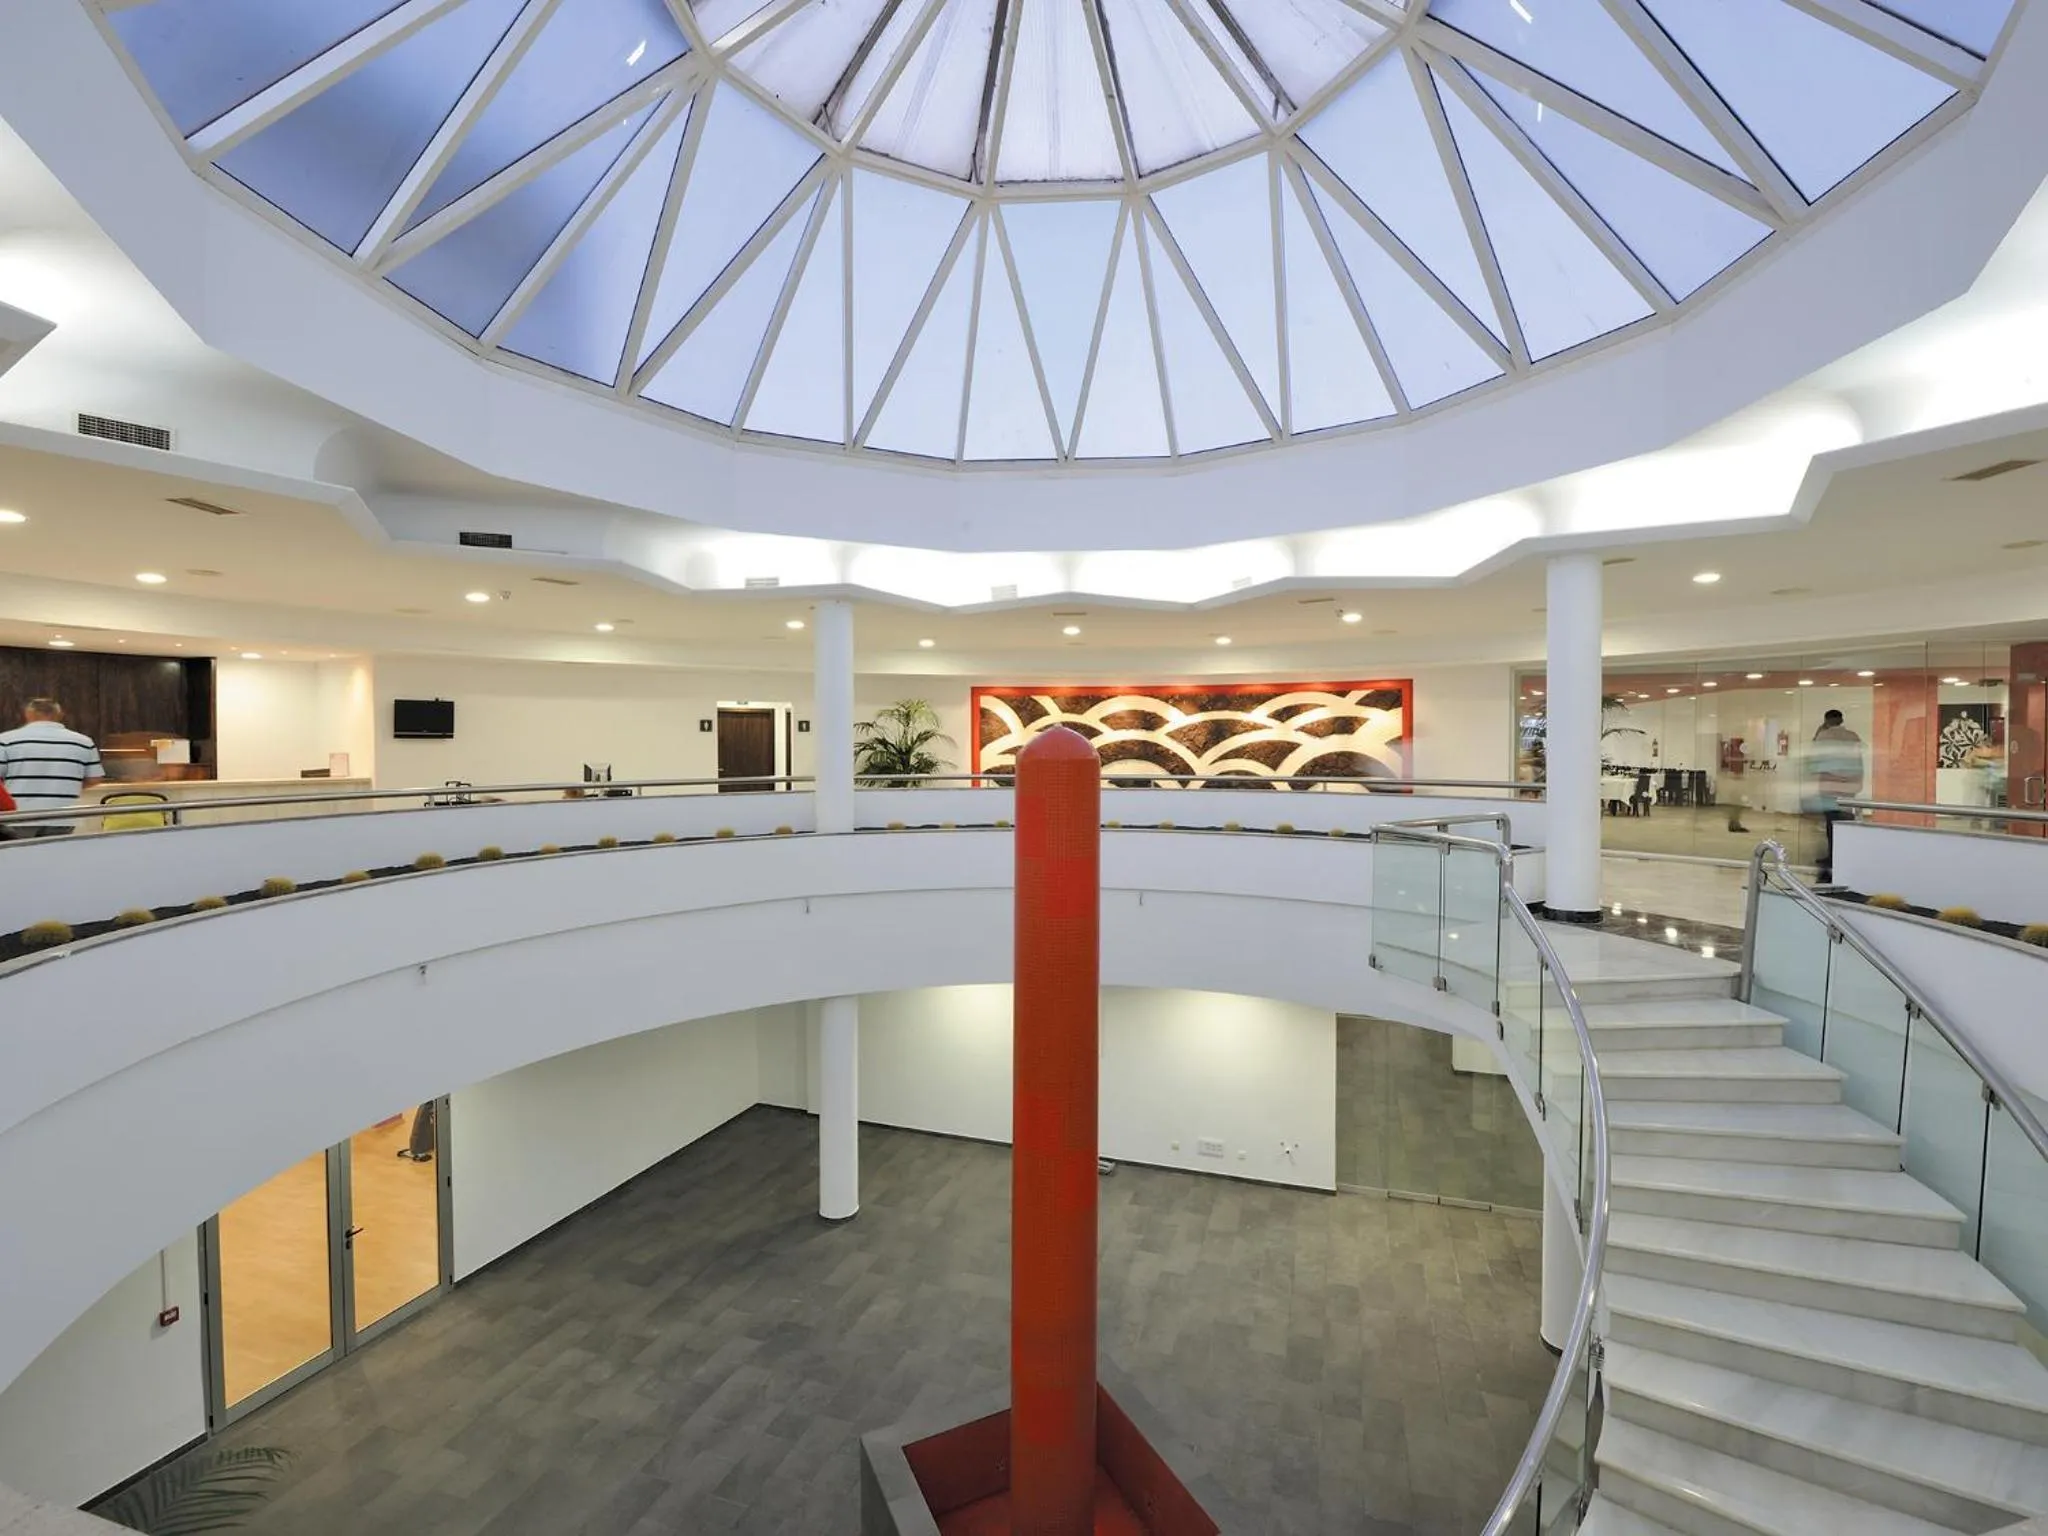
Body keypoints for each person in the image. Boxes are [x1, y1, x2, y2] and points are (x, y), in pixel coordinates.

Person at [0, 697, 104, 839]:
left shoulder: (6, 740)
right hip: (62, 815)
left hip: (18, 815)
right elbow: (94, 778)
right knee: (54, 858)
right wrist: (63, 786)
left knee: (18, 857)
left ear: (28, 714)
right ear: (59, 715)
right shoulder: (83, 741)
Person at [1809, 708, 1864, 884]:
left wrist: (1819, 730)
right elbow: (1859, 760)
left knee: (1831, 823)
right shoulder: (1853, 736)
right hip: (1849, 787)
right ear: (1841, 720)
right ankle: (1843, 856)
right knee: (1845, 822)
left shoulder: (1823, 736)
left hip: (1829, 786)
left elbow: (1814, 758)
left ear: (1827, 720)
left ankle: (1833, 857)